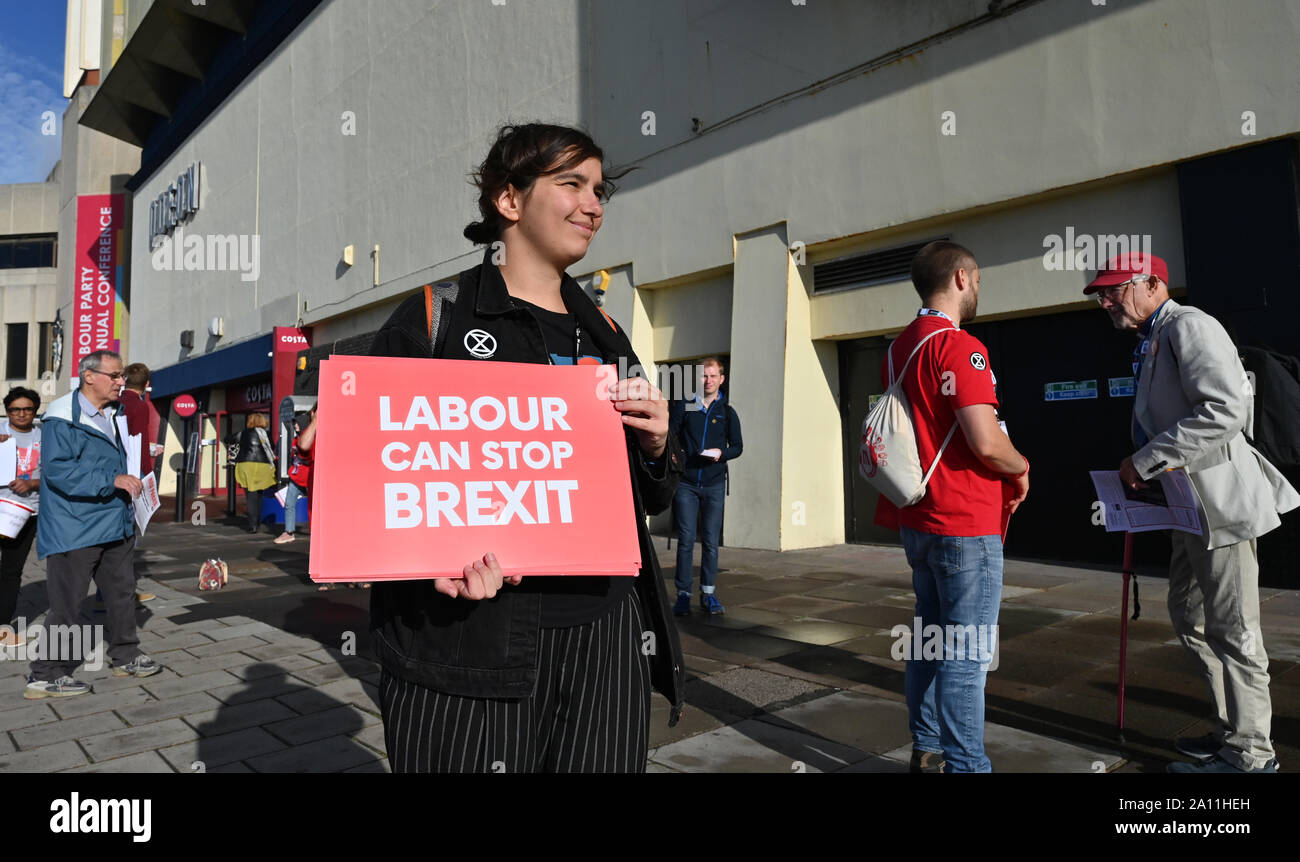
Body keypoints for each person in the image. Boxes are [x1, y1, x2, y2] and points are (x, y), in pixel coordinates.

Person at [365, 122, 685, 772]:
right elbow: (372, 488)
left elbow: (648, 498)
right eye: (571, 184)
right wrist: (429, 556)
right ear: (509, 200)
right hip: (468, 650)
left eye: (599, 188)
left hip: (604, 639)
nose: (593, 204)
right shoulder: (434, 319)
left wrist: (655, 448)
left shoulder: (609, 336)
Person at [1086, 252, 1299, 773]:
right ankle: (1233, 730)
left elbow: (1224, 409)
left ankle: (1252, 754)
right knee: (1189, 617)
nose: (1106, 301)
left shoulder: (1191, 325)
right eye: (1101, 293)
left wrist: (1145, 460)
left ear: (1154, 283)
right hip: (1189, 509)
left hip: (1220, 508)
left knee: (1233, 628)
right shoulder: (1156, 336)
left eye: (1115, 289)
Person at [873, 240, 1030, 773]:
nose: (978, 289)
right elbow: (985, 442)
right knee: (966, 654)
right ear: (962, 277)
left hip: (918, 518)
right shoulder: (961, 347)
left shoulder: (898, 348)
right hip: (965, 519)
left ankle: (928, 747)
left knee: (927, 638)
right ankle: (968, 766)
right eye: (978, 280)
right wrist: (1022, 465)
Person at [26, 350, 161, 699]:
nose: (121, 382)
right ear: (89, 376)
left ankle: (125, 656)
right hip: (76, 526)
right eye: (115, 376)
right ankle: (45, 674)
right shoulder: (61, 417)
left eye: (122, 376)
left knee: (120, 594)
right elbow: (58, 471)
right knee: (67, 605)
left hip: (115, 522)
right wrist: (112, 478)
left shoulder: (113, 412)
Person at [668, 357, 743, 615]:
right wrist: (677, 460)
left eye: (713, 376)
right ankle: (683, 594)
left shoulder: (727, 412)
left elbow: (738, 447)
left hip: (713, 484)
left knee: (711, 541)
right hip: (687, 484)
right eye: (703, 376)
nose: (708, 380)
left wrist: (720, 453)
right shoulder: (685, 406)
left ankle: (709, 593)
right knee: (686, 540)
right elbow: (670, 436)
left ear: (722, 379)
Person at [111, 363, 159, 603]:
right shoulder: (140, 406)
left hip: (115, 472)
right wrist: (148, 475)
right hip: (134, 474)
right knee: (128, 537)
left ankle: (108, 593)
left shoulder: (115, 403)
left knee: (115, 536)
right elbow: (138, 441)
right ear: (147, 384)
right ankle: (122, 594)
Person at [0, 388, 42, 649]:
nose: (22, 413)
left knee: (11, 572)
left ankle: (3, 629)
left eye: (27, 409)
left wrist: (34, 483)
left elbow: (58, 473)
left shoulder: (46, 436)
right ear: (8, 411)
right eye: (16, 409)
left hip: (27, 513)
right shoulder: (1, 434)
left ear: (34, 411)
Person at [274, 408, 314, 545]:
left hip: (308, 475)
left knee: (314, 506)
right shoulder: (297, 438)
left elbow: (309, 456)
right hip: (296, 475)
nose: (295, 425)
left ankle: (316, 530)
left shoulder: (309, 437)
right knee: (289, 503)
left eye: (297, 423)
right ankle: (289, 531)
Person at [233, 413, 276, 534]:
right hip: (263, 465)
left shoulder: (244, 433)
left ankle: (253, 525)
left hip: (246, 464)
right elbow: (272, 447)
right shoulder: (266, 434)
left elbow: (228, 439)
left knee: (250, 495)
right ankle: (257, 522)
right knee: (260, 494)